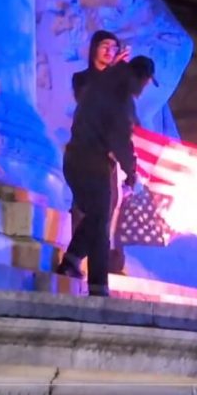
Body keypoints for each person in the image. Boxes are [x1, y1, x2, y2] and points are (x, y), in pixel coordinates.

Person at [56, 56, 157, 297]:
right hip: (92, 162)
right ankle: (98, 287)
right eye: (146, 83)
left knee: (96, 216)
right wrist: (131, 171)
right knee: (100, 222)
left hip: (75, 158)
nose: (144, 89)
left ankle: (71, 261)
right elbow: (119, 139)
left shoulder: (104, 83)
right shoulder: (120, 96)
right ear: (141, 78)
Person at [71, 30, 132, 273]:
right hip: (84, 153)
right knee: (89, 210)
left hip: (108, 157)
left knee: (105, 214)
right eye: (105, 45)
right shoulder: (82, 78)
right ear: (94, 48)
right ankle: (75, 260)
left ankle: (97, 270)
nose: (109, 51)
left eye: (114, 47)